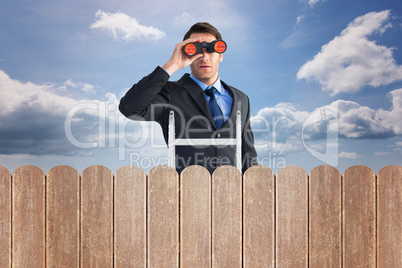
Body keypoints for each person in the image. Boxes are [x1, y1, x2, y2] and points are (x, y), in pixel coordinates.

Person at [119, 22, 257, 174]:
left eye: (211, 50)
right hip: (187, 192)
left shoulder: (241, 99)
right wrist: (172, 64)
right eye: (196, 51)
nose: (204, 57)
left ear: (220, 55)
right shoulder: (170, 93)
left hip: (232, 192)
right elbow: (129, 108)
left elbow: (248, 156)